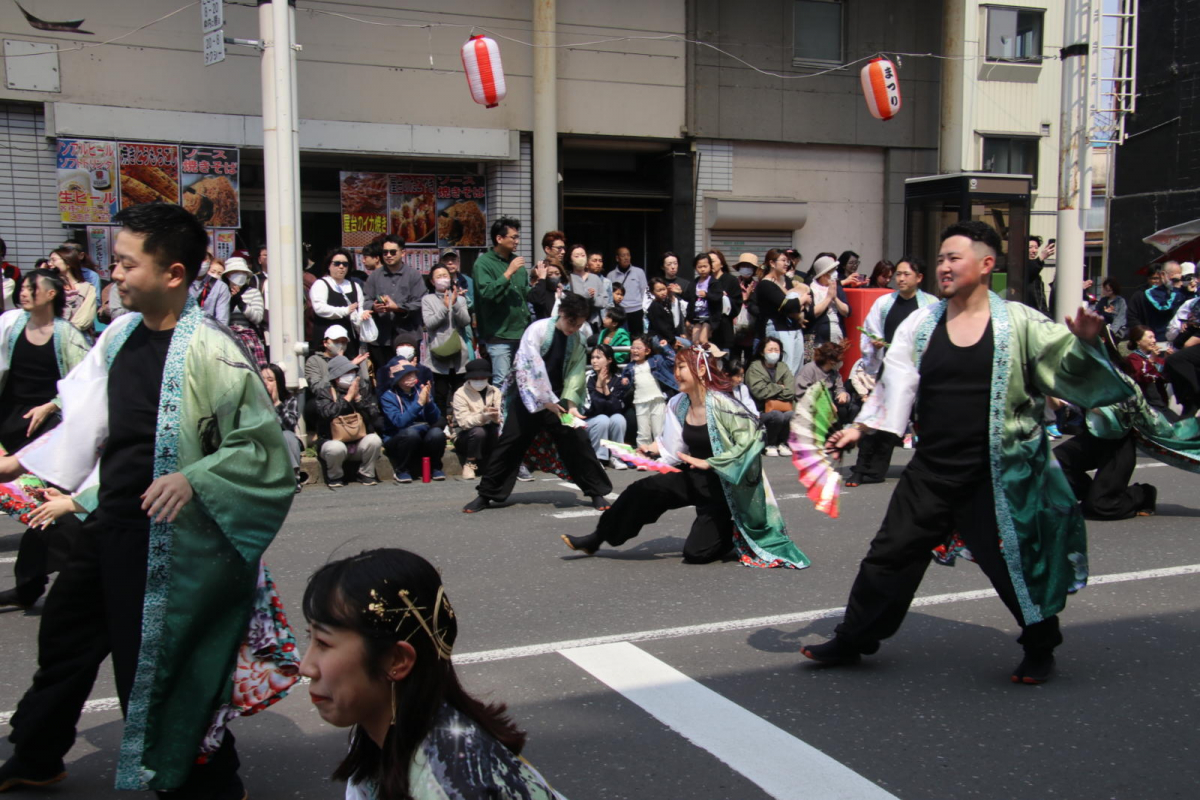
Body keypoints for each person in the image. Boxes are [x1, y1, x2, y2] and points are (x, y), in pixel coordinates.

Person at [0, 202, 295, 795]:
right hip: (106, 521)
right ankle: (37, 753)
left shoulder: (214, 352)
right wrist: (16, 463)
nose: (113, 274)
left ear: (173, 273)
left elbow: (265, 451)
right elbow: (86, 421)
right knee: (66, 639)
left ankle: (208, 785)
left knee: (165, 664)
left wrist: (196, 478)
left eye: (126, 264)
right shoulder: (118, 335)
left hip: (171, 539)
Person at [805, 220, 1134, 685]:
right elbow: (896, 382)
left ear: (985, 264)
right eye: (940, 258)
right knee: (890, 553)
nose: (944, 266)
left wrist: (1086, 342)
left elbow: (1068, 368)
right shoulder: (922, 323)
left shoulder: (1019, 322)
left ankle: (1041, 646)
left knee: (1013, 562)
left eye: (953, 258)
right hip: (932, 469)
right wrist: (860, 427)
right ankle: (853, 638)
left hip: (997, 471)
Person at [300, 548, 566, 800]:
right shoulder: (394, 731)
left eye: (323, 643)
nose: (305, 666)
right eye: (309, 638)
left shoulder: (449, 783)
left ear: (396, 660)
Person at [562, 345, 810, 568]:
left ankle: (735, 531)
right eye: (675, 368)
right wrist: (650, 449)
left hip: (724, 486)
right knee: (643, 490)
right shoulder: (679, 402)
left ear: (700, 370)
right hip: (694, 476)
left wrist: (711, 462)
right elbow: (673, 446)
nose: (676, 373)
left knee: (696, 553)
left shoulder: (723, 404)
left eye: (681, 367)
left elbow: (754, 437)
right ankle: (597, 538)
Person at [463, 292, 613, 513]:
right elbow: (529, 367)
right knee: (510, 442)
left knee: (577, 440)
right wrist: (545, 400)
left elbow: (576, 373)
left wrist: (571, 404)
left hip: (558, 398)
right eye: (571, 322)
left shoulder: (578, 339)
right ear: (561, 313)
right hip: (528, 396)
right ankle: (486, 495)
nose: (574, 328)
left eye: (579, 324)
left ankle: (596, 492)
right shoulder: (538, 329)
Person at [0, 269, 90, 610]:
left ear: (51, 294)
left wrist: (52, 405)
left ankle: (41, 584)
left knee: (53, 507)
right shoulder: (11, 325)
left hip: (50, 429)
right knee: (42, 510)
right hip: (10, 422)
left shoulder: (67, 335)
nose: (23, 292)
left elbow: (86, 383)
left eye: (31, 288)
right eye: (22, 287)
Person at [1054, 372, 1200, 520]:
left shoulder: (1118, 377)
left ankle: (1143, 493)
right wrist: (1049, 391)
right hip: (1092, 438)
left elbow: (1119, 411)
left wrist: (1076, 397)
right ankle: (1091, 495)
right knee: (1052, 465)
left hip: (1119, 441)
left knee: (1102, 506)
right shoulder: (1071, 372)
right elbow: (1058, 406)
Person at [849, 257, 936, 486]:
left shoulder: (931, 305)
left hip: (922, 371)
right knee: (879, 420)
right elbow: (870, 331)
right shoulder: (884, 302)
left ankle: (932, 469)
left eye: (907, 274)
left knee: (929, 420)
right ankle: (867, 469)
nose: (901, 278)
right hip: (892, 370)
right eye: (898, 274)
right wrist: (876, 345)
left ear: (919, 277)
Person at [473, 217, 530, 388]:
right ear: (499, 238)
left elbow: (525, 294)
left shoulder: (517, 263)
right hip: (499, 335)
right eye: (513, 237)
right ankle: (499, 408)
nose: (517, 241)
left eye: (518, 237)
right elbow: (486, 293)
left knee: (522, 383)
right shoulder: (483, 263)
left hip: (521, 334)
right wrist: (508, 272)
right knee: (502, 382)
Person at [315, 355, 385, 488]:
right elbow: (326, 414)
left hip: (358, 442)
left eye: (353, 372)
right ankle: (335, 476)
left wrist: (358, 399)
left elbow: (374, 416)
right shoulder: (325, 392)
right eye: (347, 373)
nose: (351, 376)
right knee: (336, 448)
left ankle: (366, 473)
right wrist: (347, 398)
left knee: (374, 440)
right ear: (336, 377)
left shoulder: (362, 390)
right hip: (334, 443)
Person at [363, 234, 427, 374]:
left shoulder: (413, 275)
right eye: (385, 252)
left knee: (408, 376)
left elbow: (420, 302)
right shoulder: (374, 276)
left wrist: (398, 308)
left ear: (402, 253)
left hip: (407, 335)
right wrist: (374, 307)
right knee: (384, 376)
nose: (388, 255)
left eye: (393, 252)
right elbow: (365, 300)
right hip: (381, 337)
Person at [380, 364, 446, 483]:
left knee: (437, 433)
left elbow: (434, 419)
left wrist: (429, 403)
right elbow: (399, 422)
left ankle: (435, 467)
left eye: (413, 374)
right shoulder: (388, 396)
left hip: (421, 433)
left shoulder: (420, 391)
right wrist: (419, 404)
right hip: (398, 437)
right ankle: (401, 470)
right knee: (411, 434)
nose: (412, 377)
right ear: (398, 379)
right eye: (407, 375)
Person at [421, 264, 470, 420]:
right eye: (439, 276)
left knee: (460, 393)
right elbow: (430, 324)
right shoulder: (428, 299)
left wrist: (455, 304)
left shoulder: (460, 299)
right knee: (440, 393)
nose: (443, 279)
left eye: (445, 276)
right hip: (438, 354)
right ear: (432, 281)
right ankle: (441, 423)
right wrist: (444, 307)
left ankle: (459, 422)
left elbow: (465, 321)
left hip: (458, 354)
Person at [755, 248, 810, 376]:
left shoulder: (788, 281)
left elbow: (805, 295)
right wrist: (803, 299)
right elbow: (786, 305)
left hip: (794, 327)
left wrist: (800, 301)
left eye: (788, 261)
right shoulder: (765, 284)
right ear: (772, 263)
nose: (787, 264)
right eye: (783, 260)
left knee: (798, 366)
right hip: (778, 328)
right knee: (785, 365)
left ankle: (793, 388)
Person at [311, 248, 371, 356]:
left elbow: (360, 309)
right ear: (329, 265)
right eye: (337, 263)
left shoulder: (355, 286)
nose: (341, 266)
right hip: (327, 340)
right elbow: (319, 308)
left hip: (349, 339)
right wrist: (345, 311)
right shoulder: (321, 284)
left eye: (345, 264)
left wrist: (363, 315)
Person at [451, 359, 502, 481]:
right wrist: (483, 417)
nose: (479, 381)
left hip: (490, 432)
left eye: (482, 378)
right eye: (475, 378)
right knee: (479, 431)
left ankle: (499, 464)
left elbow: (503, 413)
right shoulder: (460, 394)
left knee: (501, 430)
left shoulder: (495, 391)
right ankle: (469, 464)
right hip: (465, 436)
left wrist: (496, 417)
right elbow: (463, 422)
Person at [623, 335, 678, 448]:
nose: (635, 351)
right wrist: (625, 381)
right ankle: (643, 453)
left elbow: (673, 360)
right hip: (640, 402)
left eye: (638, 348)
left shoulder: (656, 360)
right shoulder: (630, 367)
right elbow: (626, 381)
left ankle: (661, 452)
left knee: (659, 430)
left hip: (657, 399)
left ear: (647, 351)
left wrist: (665, 347)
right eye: (633, 348)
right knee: (643, 432)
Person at [583, 344, 631, 469]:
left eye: (598, 357)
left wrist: (605, 388)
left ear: (609, 360)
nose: (594, 361)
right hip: (590, 421)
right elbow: (592, 407)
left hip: (609, 420)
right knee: (602, 419)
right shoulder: (588, 378)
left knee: (618, 418)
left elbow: (618, 407)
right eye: (592, 357)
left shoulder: (618, 379)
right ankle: (598, 458)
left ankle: (616, 457)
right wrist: (599, 385)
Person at [746, 337, 794, 457]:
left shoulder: (783, 367)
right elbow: (759, 392)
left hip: (784, 408)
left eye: (776, 350)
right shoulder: (754, 368)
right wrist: (779, 387)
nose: (774, 353)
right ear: (762, 352)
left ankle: (782, 443)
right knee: (776, 416)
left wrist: (770, 389)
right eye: (770, 350)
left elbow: (790, 391)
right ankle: (769, 443)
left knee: (791, 415)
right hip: (761, 410)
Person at [262, 362, 306, 493]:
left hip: (282, 438)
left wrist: (276, 403)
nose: (265, 383)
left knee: (288, 436)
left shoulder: (289, 399)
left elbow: (290, 425)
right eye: (262, 379)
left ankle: (294, 477)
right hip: (262, 438)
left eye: (270, 380)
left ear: (279, 382)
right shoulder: (253, 400)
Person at [221, 256, 268, 367]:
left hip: (249, 340)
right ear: (228, 275)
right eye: (236, 272)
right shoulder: (222, 292)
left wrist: (241, 304)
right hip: (227, 338)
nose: (240, 275)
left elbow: (257, 318)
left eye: (243, 272)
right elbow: (219, 317)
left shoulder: (254, 292)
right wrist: (232, 302)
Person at [795, 342, 855, 425]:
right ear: (830, 360)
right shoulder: (809, 369)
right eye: (838, 360)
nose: (840, 363)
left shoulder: (835, 373)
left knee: (843, 410)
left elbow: (840, 388)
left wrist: (843, 394)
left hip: (830, 407)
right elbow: (801, 393)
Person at [1127, 264, 1186, 341]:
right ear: (1148, 279)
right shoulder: (1140, 295)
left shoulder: (1174, 292)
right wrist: (1142, 333)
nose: (1157, 281)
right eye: (1154, 278)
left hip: (1173, 336)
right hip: (1151, 337)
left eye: (1159, 278)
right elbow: (1132, 317)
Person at [1163, 293, 1200, 416]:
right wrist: (1190, 324)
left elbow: (1188, 345)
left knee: (1176, 360)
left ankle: (1193, 398)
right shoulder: (1193, 303)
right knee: (1174, 362)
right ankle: (1189, 401)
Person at [47, 246, 96, 336]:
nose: (50, 264)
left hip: (77, 336)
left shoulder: (87, 288)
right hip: (50, 334)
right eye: (49, 260)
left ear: (68, 263)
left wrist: (66, 331)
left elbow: (85, 317)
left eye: (53, 260)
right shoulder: (48, 286)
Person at [807, 255, 850, 348]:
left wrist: (835, 298)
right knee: (813, 357)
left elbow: (847, 312)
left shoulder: (837, 287)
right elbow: (811, 313)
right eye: (832, 271)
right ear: (824, 274)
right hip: (814, 336)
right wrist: (828, 298)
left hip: (835, 334)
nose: (835, 273)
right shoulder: (810, 288)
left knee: (835, 357)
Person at [1127, 325, 1171, 410]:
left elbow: (1164, 376)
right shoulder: (1133, 358)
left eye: (1154, 337)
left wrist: (1167, 359)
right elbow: (1142, 377)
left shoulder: (1156, 358)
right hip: (1148, 403)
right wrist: (1151, 360)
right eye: (1150, 337)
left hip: (1162, 400)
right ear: (1138, 341)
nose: (1154, 341)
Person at [683, 253, 721, 346]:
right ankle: (699, 355)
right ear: (695, 268)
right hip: (697, 317)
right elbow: (689, 298)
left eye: (705, 266)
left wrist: (706, 295)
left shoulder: (714, 282)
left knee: (703, 339)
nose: (702, 269)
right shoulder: (694, 283)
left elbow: (717, 297)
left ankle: (709, 354)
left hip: (709, 317)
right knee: (695, 341)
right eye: (699, 267)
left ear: (710, 267)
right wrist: (680, 292)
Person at [707, 249, 741, 351]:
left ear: (722, 264)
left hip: (724, 331)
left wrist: (725, 298)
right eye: (708, 262)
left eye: (713, 261)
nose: (710, 264)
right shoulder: (704, 281)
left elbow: (737, 305)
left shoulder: (731, 280)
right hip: (706, 331)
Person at [610, 246, 648, 336]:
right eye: (623, 255)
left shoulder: (639, 272)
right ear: (617, 258)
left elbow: (645, 292)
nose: (626, 258)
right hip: (620, 312)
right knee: (622, 337)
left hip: (637, 311)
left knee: (637, 338)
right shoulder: (610, 275)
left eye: (628, 255)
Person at [567, 244, 606, 325]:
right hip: (574, 323)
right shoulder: (567, 279)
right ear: (570, 259)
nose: (580, 258)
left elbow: (604, 301)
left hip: (594, 323)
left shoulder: (595, 278)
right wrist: (586, 296)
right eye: (576, 256)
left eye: (583, 255)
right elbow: (568, 302)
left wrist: (593, 298)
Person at [188, 253, 231, 324]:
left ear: (210, 262)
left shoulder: (221, 287)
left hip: (208, 329)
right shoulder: (179, 283)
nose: (200, 261)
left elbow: (222, 320)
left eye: (204, 259)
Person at [645, 276, 684, 347]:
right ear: (652, 292)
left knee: (689, 344)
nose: (663, 293)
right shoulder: (655, 306)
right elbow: (662, 328)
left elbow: (675, 321)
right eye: (659, 291)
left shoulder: (666, 303)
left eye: (664, 289)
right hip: (659, 338)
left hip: (670, 337)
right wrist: (673, 341)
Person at [1025, 236, 1053, 315]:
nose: (1034, 251)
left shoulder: (1036, 274)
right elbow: (1029, 271)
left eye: (1036, 248)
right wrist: (1041, 258)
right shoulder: (1019, 267)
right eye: (1030, 247)